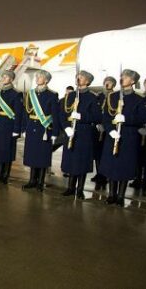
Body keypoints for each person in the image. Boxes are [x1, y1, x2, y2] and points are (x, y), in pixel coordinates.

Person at [100, 69, 146, 207]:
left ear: (132, 81)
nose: (122, 78)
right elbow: (106, 117)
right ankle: (111, 194)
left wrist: (126, 119)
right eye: (122, 76)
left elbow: (143, 118)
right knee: (112, 166)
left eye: (126, 77)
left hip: (128, 136)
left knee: (124, 167)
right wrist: (110, 130)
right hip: (113, 134)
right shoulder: (112, 97)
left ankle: (120, 196)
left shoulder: (139, 99)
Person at [59, 71, 102, 199]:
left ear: (87, 81)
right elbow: (62, 114)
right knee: (72, 161)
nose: (78, 78)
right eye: (78, 76)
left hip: (84, 134)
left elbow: (97, 117)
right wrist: (66, 128)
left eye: (82, 77)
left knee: (82, 162)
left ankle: (80, 189)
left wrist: (82, 117)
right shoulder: (70, 96)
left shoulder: (92, 97)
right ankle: (70, 188)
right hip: (70, 132)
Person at [21, 70, 59, 191]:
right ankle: (32, 180)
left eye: (40, 77)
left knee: (42, 156)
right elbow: (26, 113)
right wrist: (25, 127)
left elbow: (55, 115)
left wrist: (55, 132)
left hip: (44, 129)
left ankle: (40, 182)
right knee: (32, 155)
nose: (37, 78)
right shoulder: (30, 93)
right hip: (32, 127)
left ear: (46, 80)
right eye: (37, 76)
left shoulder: (52, 95)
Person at [0, 70, 23, 184]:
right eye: (3, 76)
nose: (4, 78)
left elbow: (19, 113)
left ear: (11, 79)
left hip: (9, 126)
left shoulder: (16, 93)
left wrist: (16, 129)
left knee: (7, 151)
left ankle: (5, 175)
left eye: (6, 77)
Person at [92, 76, 116, 190]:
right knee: (97, 152)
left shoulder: (115, 97)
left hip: (110, 128)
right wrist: (97, 123)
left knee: (106, 152)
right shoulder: (99, 97)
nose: (107, 84)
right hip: (98, 127)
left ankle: (105, 174)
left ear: (113, 85)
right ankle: (99, 173)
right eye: (105, 82)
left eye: (109, 83)